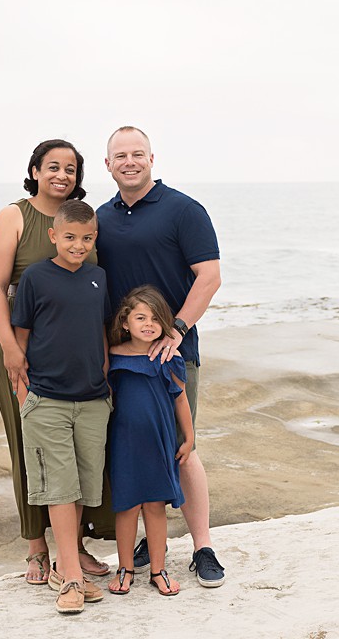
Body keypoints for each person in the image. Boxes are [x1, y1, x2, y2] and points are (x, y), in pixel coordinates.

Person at [96, 125, 226, 588]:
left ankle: (203, 547)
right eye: (120, 155)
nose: (129, 161)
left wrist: (178, 328)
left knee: (181, 448)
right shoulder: (100, 219)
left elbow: (208, 276)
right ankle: (148, 549)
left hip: (171, 354)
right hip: (121, 362)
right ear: (107, 164)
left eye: (138, 153)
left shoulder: (183, 210)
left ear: (153, 159)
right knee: (130, 448)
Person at [0, 139, 112, 588]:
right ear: (35, 170)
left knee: (73, 453)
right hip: (17, 345)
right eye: (52, 166)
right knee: (29, 445)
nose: (62, 175)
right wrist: (11, 349)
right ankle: (37, 548)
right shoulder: (14, 216)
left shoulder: (83, 221)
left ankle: (71, 548)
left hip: (74, 352)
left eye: (71, 169)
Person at [10, 199, 111, 613]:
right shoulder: (35, 277)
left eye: (87, 238)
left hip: (92, 400)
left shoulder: (99, 278)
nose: (78, 245)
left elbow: (101, 333)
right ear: (53, 236)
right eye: (70, 237)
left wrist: (105, 381)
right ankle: (70, 577)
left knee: (85, 486)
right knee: (59, 487)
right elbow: (20, 337)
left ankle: (67, 563)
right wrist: (25, 397)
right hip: (47, 399)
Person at [105, 285, 195, 597]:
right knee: (127, 506)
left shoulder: (168, 355)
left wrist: (189, 437)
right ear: (124, 322)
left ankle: (158, 569)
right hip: (123, 443)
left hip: (159, 440)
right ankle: (125, 567)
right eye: (140, 317)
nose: (148, 324)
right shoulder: (113, 356)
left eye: (156, 318)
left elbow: (180, 400)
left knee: (155, 506)